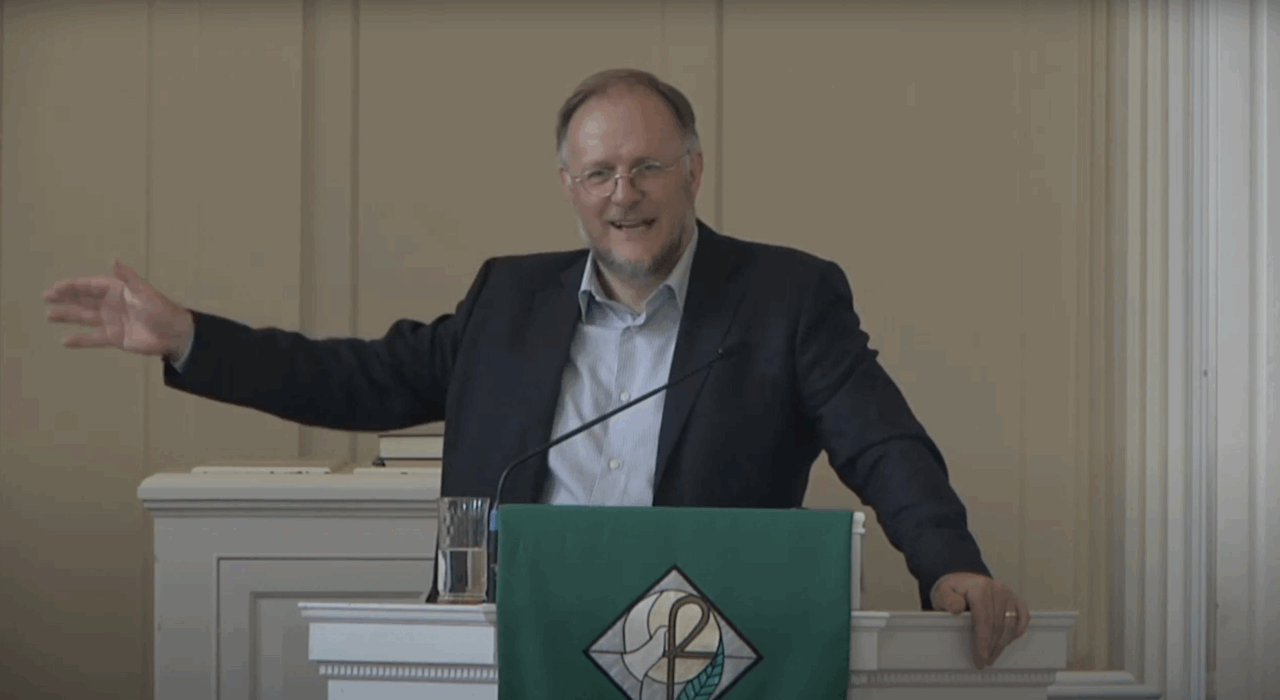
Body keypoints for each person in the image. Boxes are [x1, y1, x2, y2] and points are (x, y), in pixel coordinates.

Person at [44, 68, 1030, 668]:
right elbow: (352, 379)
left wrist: (948, 561)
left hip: (694, 647)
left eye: (646, 166)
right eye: (598, 172)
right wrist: (186, 338)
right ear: (568, 185)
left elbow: (879, 437)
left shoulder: (785, 296)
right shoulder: (506, 298)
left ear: (693, 169)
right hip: (499, 642)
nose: (623, 194)